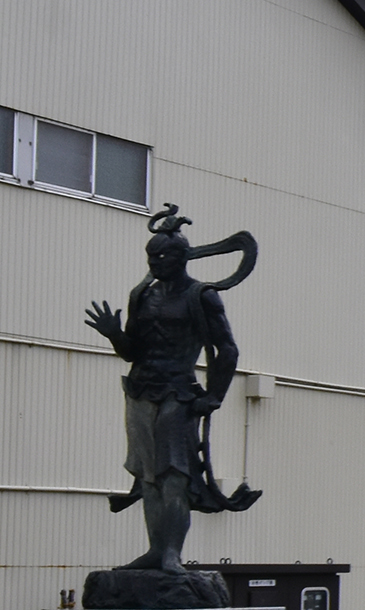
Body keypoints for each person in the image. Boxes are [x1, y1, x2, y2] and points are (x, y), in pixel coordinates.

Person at [83, 207, 259, 573]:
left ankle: (171, 554)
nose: (157, 262)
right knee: (147, 476)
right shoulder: (142, 295)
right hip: (140, 390)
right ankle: (155, 549)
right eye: (152, 256)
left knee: (174, 475)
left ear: (183, 258)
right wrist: (114, 334)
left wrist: (214, 396)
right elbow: (133, 351)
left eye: (164, 256)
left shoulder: (202, 296)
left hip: (178, 393)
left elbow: (227, 349)